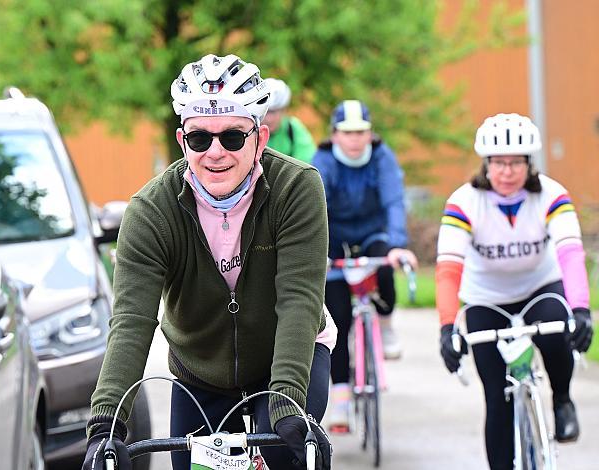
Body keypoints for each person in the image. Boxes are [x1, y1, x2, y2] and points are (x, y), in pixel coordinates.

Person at [82, 53, 334, 470]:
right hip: (202, 373)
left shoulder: (297, 188)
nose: (216, 152)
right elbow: (131, 320)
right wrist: (106, 425)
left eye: (233, 137)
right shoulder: (151, 211)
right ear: (183, 141)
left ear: (261, 138)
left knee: (288, 453)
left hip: (289, 357)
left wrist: (286, 401)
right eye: (201, 139)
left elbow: (299, 300)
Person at [436, 113, 594, 469]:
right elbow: (448, 270)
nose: (507, 171)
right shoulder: (464, 201)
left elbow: (570, 254)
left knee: (556, 330)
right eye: (498, 163)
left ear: (529, 163)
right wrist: (448, 328)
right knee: (496, 397)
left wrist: (581, 310)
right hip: (485, 298)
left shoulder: (552, 195)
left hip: (539, 287)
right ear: (486, 163)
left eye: (516, 163)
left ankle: (562, 400)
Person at [311, 100, 417, 431]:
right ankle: (340, 400)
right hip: (335, 238)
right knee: (337, 315)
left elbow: (394, 201)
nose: (355, 140)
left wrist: (398, 244)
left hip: (373, 234)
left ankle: (385, 326)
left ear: (371, 134)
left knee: (385, 264)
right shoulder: (323, 161)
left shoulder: (383, 158)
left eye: (361, 133)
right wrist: (317, 251)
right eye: (348, 133)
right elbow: (314, 206)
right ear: (335, 135)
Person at [262, 78, 317, 163]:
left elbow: (308, 161)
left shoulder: (293, 129)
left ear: (284, 110)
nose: (269, 119)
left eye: (274, 112)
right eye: (265, 112)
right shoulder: (249, 128)